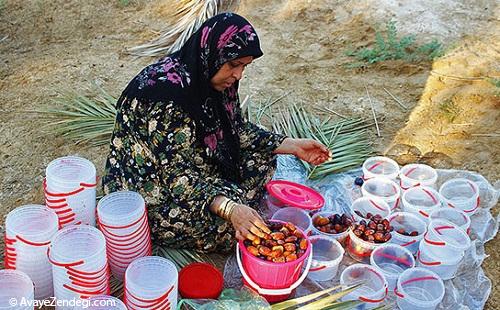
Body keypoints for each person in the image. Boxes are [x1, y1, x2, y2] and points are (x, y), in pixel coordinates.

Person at [102, 13, 330, 253]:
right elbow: (177, 179)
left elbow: (235, 130)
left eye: (244, 66)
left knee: (262, 159)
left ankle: (233, 200)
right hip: (150, 188)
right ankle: (230, 204)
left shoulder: (207, 74)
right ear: (214, 53)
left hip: (186, 161)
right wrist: (230, 209)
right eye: (233, 65)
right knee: (226, 229)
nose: (239, 75)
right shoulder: (166, 100)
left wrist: (292, 145)